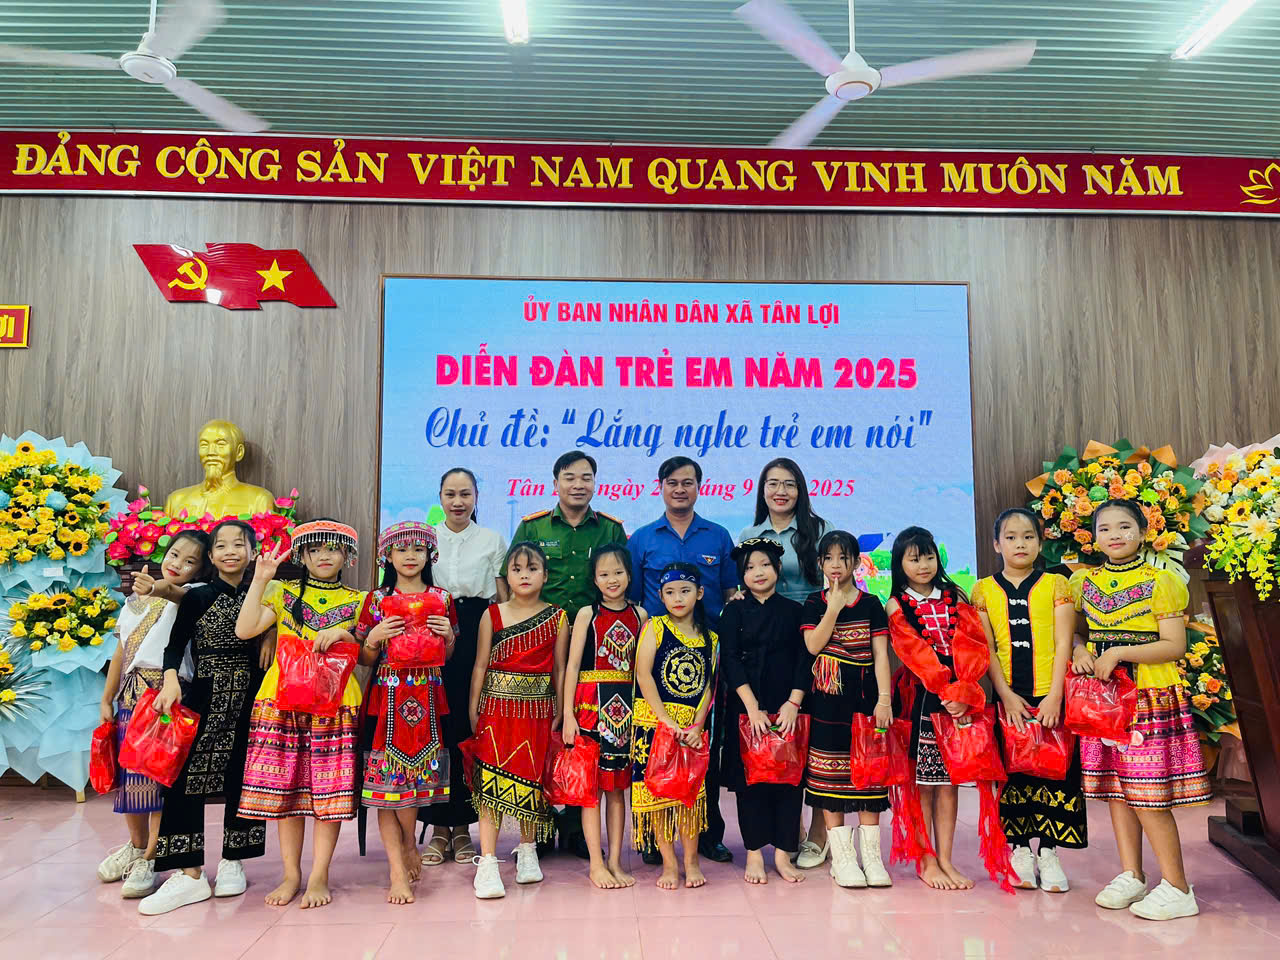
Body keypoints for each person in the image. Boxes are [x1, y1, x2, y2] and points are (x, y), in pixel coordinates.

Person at [1070, 499, 1210, 921]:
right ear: (1093, 537)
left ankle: (1178, 887)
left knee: (1148, 795)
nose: (1115, 535)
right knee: (1116, 790)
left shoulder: (1161, 581)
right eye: (1105, 528)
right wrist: (1080, 650)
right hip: (1104, 701)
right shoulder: (1084, 582)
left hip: (1148, 695)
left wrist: (1119, 652)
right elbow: (1076, 633)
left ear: (1143, 532)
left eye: (1124, 526)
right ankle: (1132, 874)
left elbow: (1174, 644)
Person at [138, 520, 269, 917]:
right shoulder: (198, 596)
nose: (230, 551)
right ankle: (189, 872)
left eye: (239, 544)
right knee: (184, 779)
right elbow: (175, 646)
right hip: (205, 695)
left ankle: (234, 861)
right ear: (211, 556)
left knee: (244, 778)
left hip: (251, 697)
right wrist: (170, 681)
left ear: (252, 553)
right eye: (221, 546)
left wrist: (272, 635)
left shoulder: (264, 594)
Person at [235, 519, 366, 909]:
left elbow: (368, 654)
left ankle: (320, 874)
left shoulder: (360, 600)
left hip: (335, 702)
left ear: (347, 556)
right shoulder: (282, 592)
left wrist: (344, 636)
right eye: (315, 549)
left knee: (330, 793)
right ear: (302, 556)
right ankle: (291, 874)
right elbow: (245, 629)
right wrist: (261, 578)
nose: (324, 555)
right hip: (281, 700)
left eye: (333, 548)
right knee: (285, 791)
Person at [886, 526, 1012, 892]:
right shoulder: (895, 603)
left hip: (962, 695)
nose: (923, 565)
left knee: (949, 783)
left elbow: (973, 642)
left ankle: (946, 858)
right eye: (914, 559)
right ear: (900, 563)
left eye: (929, 557)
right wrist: (946, 690)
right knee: (922, 784)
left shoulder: (955, 595)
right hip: (923, 698)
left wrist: (965, 689)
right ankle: (926, 860)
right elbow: (913, 652)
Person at [628, 456, 737, 864]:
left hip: (705, 653)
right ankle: (653, 838)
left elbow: (730, 593)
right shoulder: (642, 538)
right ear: (660, 487)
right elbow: (634, 601)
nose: (679, 489)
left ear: (699, 487)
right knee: (654, 752)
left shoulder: (718, 536)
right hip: (657, 652)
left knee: (703, 746)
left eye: (687, 482)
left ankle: (707, 834)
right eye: (672, 482)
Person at [972, 507, 1084, 893]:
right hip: (1009, 698)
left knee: (1056, 774)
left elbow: (1064, 642)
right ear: (996, 544)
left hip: (1051, 695)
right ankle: (1019, 851)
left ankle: (1049, 852)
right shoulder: (983, 590)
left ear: (1040, 542)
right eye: (1011, 537)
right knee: (1013, 776)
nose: (1020, 544)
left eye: (1028, 537)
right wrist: (1004, 695)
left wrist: (1055, 696)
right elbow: (986, 648)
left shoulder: (1056, 584)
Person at [96, 532, 209, 899]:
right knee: (130, 776)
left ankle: (152, 856)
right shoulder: (133, 601)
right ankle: (135, 844)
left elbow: (174, 592)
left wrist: (157, 587)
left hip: (164, 696)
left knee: (159, 775)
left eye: (190, 561)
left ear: (200, 570)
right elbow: (120, 651)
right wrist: (107, 698)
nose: (178, 564)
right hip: (130, 696)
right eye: (174, 554)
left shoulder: (191, 596)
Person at [355, 522, 458, 904]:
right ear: (388, 556)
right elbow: (365, 657)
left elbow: (447, 655)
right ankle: (397, 869)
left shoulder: (442, 599)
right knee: (383, 786)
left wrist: (448, 637)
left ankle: (410, 843)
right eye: (401, 549)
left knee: (411, 782)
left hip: (428, 697)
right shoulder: (377, 599)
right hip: (386, 698)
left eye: (418, 549)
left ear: (430, 555)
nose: (410, 556)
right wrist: (373, 639)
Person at [470, 541, 569, 899]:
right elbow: (480, 665)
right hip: (496, 711)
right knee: (490, 785)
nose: (524, 575)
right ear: (506, 576)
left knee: (531, 781)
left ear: (545, 576)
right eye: (516, 569)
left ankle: (527, 851)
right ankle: (488, 862)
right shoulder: (492, 615)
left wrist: (561, 708)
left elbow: (560, 668)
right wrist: (473, 708)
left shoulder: (558, 617)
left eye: (532, 569)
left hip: (537, 712)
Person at [796, 530, 894, 888]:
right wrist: (833, 608)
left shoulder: (871, 604)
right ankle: (842, 859)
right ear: (820, 563)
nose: (836, 565)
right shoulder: (814, 602)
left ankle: (872, 858)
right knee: (829, 778)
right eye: (829, 558)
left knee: (870, 775)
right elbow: (812, 645)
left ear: (856, 561)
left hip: (865, 700)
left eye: (844, 557)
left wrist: (884, 699)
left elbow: (881, 654)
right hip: (827, 703)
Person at [420, 467, 508, 865]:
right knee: (435, 729)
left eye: (465, 494)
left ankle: (463, 828)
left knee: (467, 729)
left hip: (476, 629)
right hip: (431, 629)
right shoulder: (425, 539)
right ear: (440, 497)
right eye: (450, 494)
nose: (458, 502)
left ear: (476, 497)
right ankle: (438, 828)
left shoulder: (491, 540)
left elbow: (502, 598)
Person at [719, 538, 810, 885]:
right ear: (741, 575)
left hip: (787, 708)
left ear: (778, 569)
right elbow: (729, 660)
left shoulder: (794, 611)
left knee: (789, 781)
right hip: (747, 709)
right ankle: (754, 853)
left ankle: (784, 855)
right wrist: (752, 708)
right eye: (750, 568)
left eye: (765, 565)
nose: (758, 573)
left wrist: (793, 703)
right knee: (750, 784)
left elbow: (805, 659)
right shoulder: (734, 611)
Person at [562, 544, 648, 889]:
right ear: (594, 579)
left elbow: (643, 670)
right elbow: (572, 666)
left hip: (626, 712)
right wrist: (567, 714)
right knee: (591, 789)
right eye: (604, 574)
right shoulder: (587, 614)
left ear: (629, 575)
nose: (612, 579)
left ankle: (614, 860)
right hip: (588, 708)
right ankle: (596, 863)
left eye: (618, 572)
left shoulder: (641, 616)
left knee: (617, 789)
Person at [630, 563, 719, 890]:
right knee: (658, 795)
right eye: (670, 592)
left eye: (685, 591)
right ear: (661, 596)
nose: (678, 598)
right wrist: (665, 720)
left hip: (691, 728)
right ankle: (668, 863)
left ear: (700, 593)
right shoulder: (654, 628)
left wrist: (697, 725)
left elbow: (709, 686)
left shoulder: (711, 637)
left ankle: (691, 861)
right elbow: (643, 675)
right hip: (653, 723)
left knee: (688, 796)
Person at [508, 451, 627, 619]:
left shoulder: (611, 529)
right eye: (569, 479)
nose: (578, 485)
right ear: (556, 484)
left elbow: (627, 582)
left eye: (586, 479)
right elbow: (509, 577)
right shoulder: (532, 527)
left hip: (597, 625)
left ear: (594, 483)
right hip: (543, 624)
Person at [737, 458, 827, 604]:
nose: (781, 491)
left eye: (789, 485)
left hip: (814, 613)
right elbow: (745, 587)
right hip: (766, 615)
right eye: (773, 484)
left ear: (800, 491)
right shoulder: (748, 535)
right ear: (762, 490)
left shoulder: (821, 529)